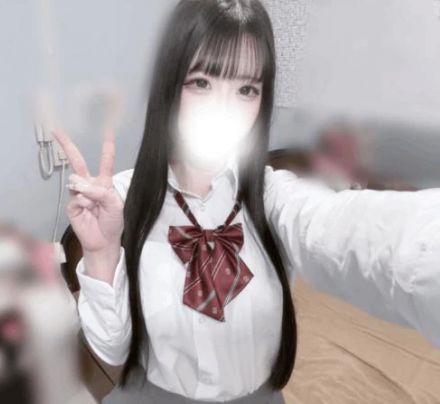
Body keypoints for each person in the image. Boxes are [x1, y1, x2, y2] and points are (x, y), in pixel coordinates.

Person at [53, 0, 440, 402]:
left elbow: (352, 233)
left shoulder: (274, 196)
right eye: (201, 82)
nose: (224, 109)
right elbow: (112, 350)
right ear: (169, 83)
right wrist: (101, 251)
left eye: (246, 89)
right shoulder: (122, 201)